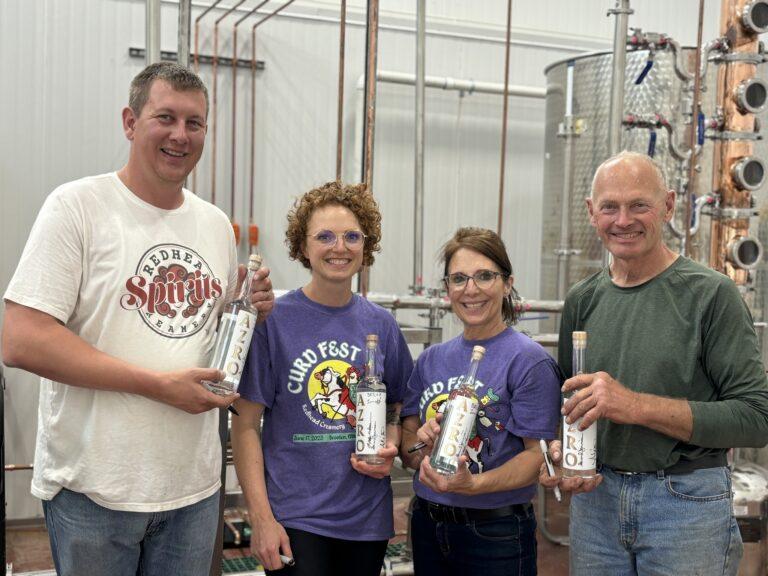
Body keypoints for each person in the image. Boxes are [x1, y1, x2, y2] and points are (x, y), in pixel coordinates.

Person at [1, 62, 274, 576]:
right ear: (130, 122)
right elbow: (21, 339)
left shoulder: (215, 224)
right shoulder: (77, 207)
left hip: (192, 488)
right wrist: (156, 385)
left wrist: (245, 306)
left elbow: (201, 334)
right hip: (95, 492)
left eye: (194, 123)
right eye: (164, 117)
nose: (180, 135)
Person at [539, 151, 768, 576]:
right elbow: (570, 405)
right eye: (610, 206)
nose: (623, 220)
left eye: (638, 205)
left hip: (684, 505)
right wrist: (562, 451)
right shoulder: (582, 300)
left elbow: (756, 418)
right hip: (596, 506)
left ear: (668, 206)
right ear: (592, 213)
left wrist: (633, 406)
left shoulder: (711, 296)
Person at [231, 181, 414, 576]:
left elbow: (398, 403)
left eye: (352, 236)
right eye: (325, 236)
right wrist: (261, 519)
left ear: (366, 245)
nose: (340, 247)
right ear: (303, 246)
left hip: (366, 520)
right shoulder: (273, 321)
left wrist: (391, 442)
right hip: (295, 518)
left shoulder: (381, 325)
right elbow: (244, 424)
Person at [399, 227, 562, 576]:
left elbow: (538, 457)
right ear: (447, 289)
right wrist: (421, 445)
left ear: (507, 283)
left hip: (494, 534)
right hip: (428, 523)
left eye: (485, 276)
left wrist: (473, 485)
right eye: (459, 278)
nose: (470, 289)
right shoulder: (431, 360)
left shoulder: (529, 361)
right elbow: (408, 443)